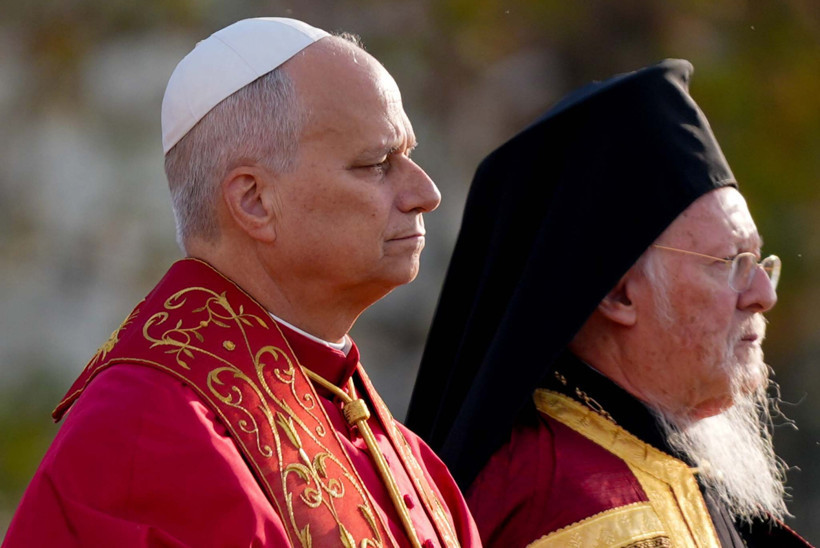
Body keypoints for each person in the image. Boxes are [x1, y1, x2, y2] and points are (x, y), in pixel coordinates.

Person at [4, 17, 480, 547]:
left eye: (408, 156)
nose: (425, 192)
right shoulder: (141, 433)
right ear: (254, 201)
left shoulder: (397, 450)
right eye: (376, 163)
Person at [406, 59, 813, 547]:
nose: (763, 295)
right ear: (618, 293)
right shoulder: (578, 509)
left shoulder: (642, 456)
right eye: (728, 263)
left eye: (757, 260)